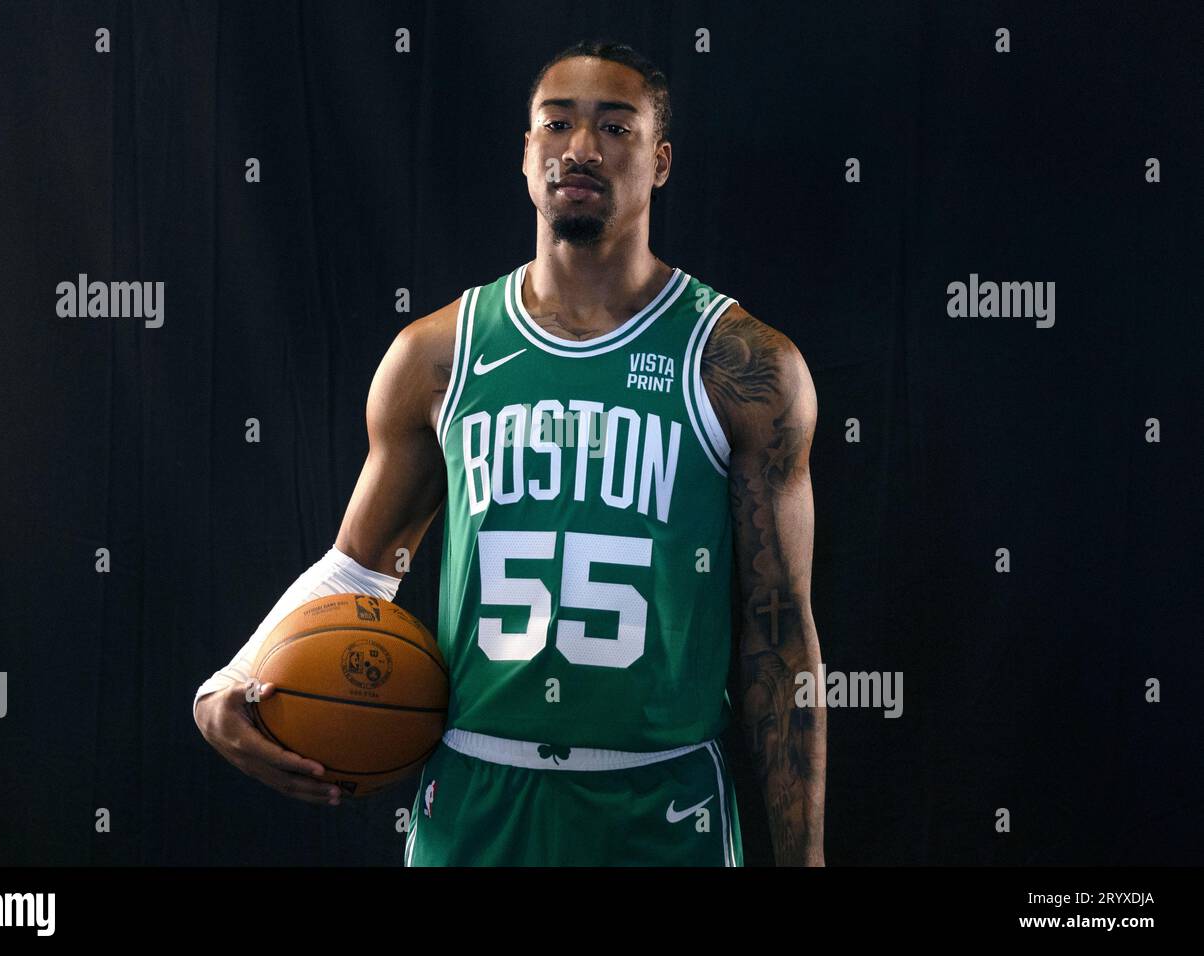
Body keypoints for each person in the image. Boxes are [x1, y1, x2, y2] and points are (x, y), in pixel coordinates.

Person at [194, 39, 825, 866]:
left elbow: (778, 632)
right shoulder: (437, 355)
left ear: (660, 161)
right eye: (556, 123)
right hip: (475, 801)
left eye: (614, 127)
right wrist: (229, 683)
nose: (580, 148)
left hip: (664, 804)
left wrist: (806, 858)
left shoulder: (740, 363)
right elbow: (359, 567)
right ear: (527, 155)